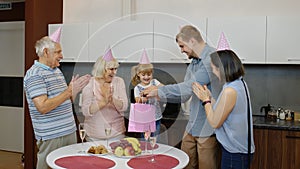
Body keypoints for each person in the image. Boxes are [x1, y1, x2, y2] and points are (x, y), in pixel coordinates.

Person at [143, 25, 221, 169]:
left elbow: (189, 86)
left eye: (182, 46)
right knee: (184, 164)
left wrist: (160, 92)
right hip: (192, 125)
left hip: (207, 127)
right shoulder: (193, 64)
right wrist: (160, 92)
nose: (182, 50)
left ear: (192, 41)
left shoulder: (211, 58)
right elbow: (184, 95)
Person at [23, 27, 91, 169]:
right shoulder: (35, 74)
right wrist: (68, 92)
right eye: (58, 52)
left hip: (69, 131)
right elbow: (43, 107)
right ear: (46, 52)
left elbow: (65, 99)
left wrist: (74, 92)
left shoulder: (56, 71)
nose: (62, 55)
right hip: (52, 136)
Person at [192, 49, 255, 169]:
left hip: (235, 154)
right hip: (240, 151)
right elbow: (224, 109)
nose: (214, 73)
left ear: (221, 69)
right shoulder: (239, 83)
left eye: (214, 69)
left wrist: (206, 101)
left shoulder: (229, 91)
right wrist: (209, 97)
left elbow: (215, 122)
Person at [81, 47, 128, 142]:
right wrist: (102, 103)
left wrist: (111, 100)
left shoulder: (119, 82)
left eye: (115, 69)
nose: (114, 72)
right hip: (93, 135)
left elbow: (124, 106)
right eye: (111, 69)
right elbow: (85, 111)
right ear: (102, 69)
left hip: (116, 134)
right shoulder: (90, 83)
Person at [131, 49, 164, 138]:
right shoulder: (137, 88)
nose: (146, 77)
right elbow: (138, 100)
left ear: (152, 74)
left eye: (149, 74)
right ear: (138, 74)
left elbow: (164, 88)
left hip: (156, 117)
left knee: (154, 139)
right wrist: (146, 97)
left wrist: (155, 90)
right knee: (144, 139)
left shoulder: (154, 82)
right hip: (144, 119)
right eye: (143, 75)